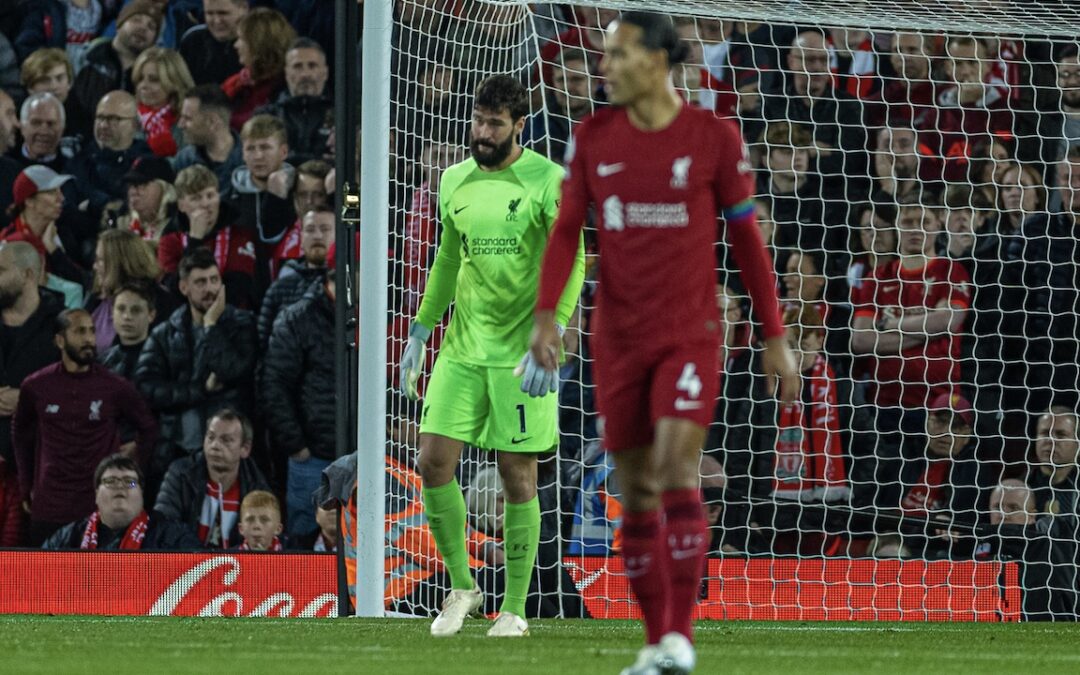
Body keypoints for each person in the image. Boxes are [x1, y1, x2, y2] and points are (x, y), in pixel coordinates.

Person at [527, 14, 796, 674]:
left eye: (617, 54)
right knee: (638, 489)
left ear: (656, 60)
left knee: (678, 470)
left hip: (689, 334)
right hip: (616, 338)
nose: (605, 66)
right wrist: (544, 316)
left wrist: (774, 334)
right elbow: (565, 231)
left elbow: (748, 242)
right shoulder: (592, 136)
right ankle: (657, 644)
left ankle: (681, 636)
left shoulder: (712, 136)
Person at [397, 74, 586, 638]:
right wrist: (420, 331)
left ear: (518, 125)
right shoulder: (454, 179)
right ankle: (462, 586)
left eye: (494, 125)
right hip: (462, 347)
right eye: (477, 122)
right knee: (432, 460)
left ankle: (515, 609)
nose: (482, 133)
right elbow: (447, 260)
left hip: (521, 350)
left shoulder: (548, 181)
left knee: (516, 475)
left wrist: (551, 331)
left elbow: (572, 258)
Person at [12, 308, 158, 546]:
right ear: (60, 340)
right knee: (47, 579)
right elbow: (20, 432)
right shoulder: (36, 386)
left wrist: (133, 469)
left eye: (92, 331)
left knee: (97, 580)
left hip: (98, 504)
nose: (90, 339)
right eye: (80, 331)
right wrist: (26, 484)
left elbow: (149, 428)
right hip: (50, 504)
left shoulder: (114, 386)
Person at [135, 248, 257, 477]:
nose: (209, 289)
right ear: (184, 287)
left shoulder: (241, 324)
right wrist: (199, 389)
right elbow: (145, 388)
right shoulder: (165, 333)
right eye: (200, 282)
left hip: (227, 457)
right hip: (176, 452)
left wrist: (211, 325)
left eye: (214, 280)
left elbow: (233, 370)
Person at [262, 239, 335, 537]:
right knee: (304, 536)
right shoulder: (297, 318)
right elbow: (275, 384)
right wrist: (297, 446)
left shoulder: (374, 317)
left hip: (362, 455)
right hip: (312, 456)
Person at [0, 241, 64, 546]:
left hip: (39, 475)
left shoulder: (61, 327)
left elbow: (79, 392)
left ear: (27, 275)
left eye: (1, 270)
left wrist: (28, 404)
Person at [154, 407, 269, 548]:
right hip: (187, 564)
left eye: (226, 440)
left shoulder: (257, 487)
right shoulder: (180, 473)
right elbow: (164, 524)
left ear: (244, 448)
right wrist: (202, 559)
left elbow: (264, 539)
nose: (215, 446)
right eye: (211, 437)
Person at [42, 454, 200, 550]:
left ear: (141, 493)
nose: (120, 487)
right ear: (96, 493)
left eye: (130, 482)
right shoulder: (68, 538)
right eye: (110, 481)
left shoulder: (172, 536)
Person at [161, 163, 256, 309]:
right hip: (185, 320)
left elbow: (238, 289)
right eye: (196, 198)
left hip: (233, 317)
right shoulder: (170, 237)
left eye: (210, 195)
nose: (206, 204)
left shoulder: (239, 229)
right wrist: (195, 241)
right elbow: (174, 290)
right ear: (181, 205)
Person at [223, 113, 296, 299]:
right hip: (245, 296)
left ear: (284, 152)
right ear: (242, 154)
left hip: (290, 290)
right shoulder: (229, 199)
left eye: (265, 147)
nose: (258, 156)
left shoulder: (301, 189)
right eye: (250, 149)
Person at [69, 1, 161, 141]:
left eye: (151, 27)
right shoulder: (86, 59)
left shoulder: (152, 78)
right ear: (119, 24)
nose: (143, 28)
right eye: (136, 20)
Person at [67, 90, 152, 223]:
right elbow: (68, 207)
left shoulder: (149, 163)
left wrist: (92, 205)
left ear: (134, 125)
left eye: (114, 119)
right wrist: (107, 204)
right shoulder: (78, 162)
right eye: (100, 117)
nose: (104, 125)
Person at [257, 205, 333, 351]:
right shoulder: (279, 289)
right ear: (301, 237)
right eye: (310, 230)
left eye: (325, 229)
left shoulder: (350, 285)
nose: (317, 235)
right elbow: (263, 344)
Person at [0, 165, 84, 284]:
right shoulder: (9, 243)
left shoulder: (64, 231)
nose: (61, 198)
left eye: (60, 191)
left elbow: (84, 282)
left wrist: (53, 249)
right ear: (29, 201)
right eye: (52, 192)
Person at [257, 37, 332, 165]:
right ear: (286, 73)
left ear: (325, 72)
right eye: (298, 66)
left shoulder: (344, 115)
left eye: (312, 66)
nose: (305, 74)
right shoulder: (266, 116)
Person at [86, 228, 161, 354]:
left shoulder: (154, 301)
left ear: (119, 263)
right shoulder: (96, 298)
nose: (95, 266)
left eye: (100, 260)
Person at [222, 7, 295, 131]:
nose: (235, 45)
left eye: (242, 39)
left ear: (259, 43)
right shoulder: (233, 84)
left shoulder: (288, 87)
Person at [173, 84, 243, 191]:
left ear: (212, 121)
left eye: (187, 118)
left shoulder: (250, 161)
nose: (180, 124)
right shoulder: (184, 160)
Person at [132, 47, 195, 157]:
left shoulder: (188, 123)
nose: (143, 86)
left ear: (174, 83)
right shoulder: (128, 116)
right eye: (140, 78)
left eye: (154, 80)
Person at [179, 0, 248, 85]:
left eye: (223, 13)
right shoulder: (192, 40)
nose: (217, 21)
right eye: (209, 13)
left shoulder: (257, 43)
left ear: (244, 9)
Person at [101, 281, 157, 381]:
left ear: (151, 315)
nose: (127, 317)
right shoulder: (103, 360)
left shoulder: (163, 362)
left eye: (136, 310)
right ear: (112, 312)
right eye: (121, 309)